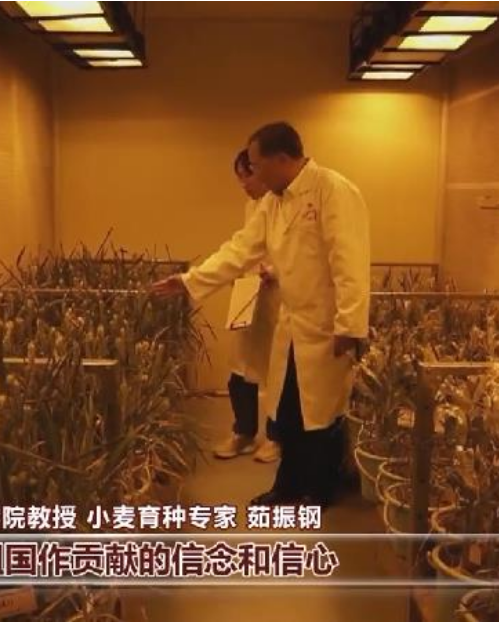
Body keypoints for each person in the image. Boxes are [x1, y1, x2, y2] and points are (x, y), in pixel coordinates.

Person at [152, 122, 370, 506]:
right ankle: (288, 486)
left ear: (281, 158)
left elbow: (350, 263)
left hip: (326, 325)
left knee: (320, 414)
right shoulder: (273, 202)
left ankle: (320, 491)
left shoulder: (332, 190)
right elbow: (240, 250)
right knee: (287, 410)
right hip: (292, 322)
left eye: (255, 165)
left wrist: (349, 325)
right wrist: (190, 281)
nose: (252, 173)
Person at [215, 149, 281, 463]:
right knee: (239, 368)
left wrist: (275, 271)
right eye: (240, 178)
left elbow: (297, 253)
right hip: (247, 292)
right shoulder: (251, 206)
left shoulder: (284, 205)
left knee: (276, 371)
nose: (245, 185)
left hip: (277, 294)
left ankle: (277, 438)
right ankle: (243, 432)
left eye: (248, 176)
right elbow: (244, 248)